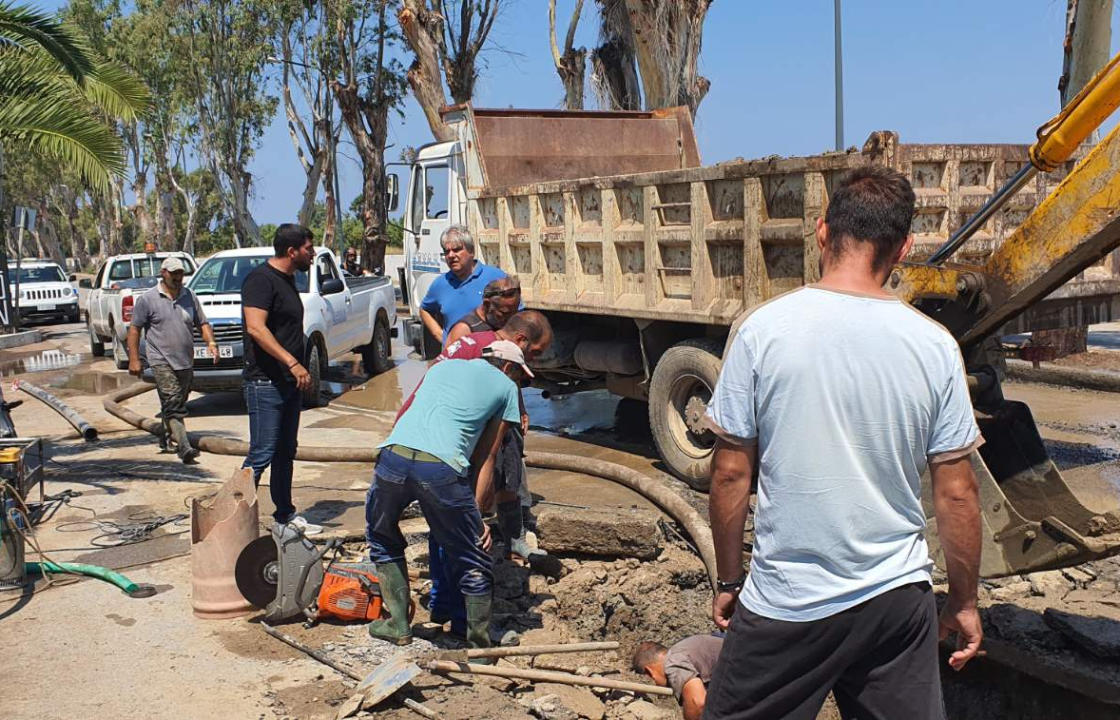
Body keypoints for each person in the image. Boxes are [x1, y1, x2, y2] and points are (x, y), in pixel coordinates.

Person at [703, 166, 984, 720]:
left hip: (788, 600)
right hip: (896, 602)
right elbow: (957, 495)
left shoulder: (763, 331)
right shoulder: (935, 347)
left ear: (822, 231)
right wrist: (965, 601)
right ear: (903, 248)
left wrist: (731, 578)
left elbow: (731, 473)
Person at [365, 341, 532, 651]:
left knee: (381, 535)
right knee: (473, 554)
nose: (519, 384)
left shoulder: (442, 367)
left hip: (392, 455)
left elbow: (415, 411)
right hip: (439, 468)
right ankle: (477, 645)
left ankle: (399, 625)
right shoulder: (507, 387)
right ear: (509, 368)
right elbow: (487, 456)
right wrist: (477, 518)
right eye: (521, 377)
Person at [397, 310, 553, 639]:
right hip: (446, 452)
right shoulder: (489, 361)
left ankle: (439, 606)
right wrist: (478, 514)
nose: (534, 363)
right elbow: (488, 454)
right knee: (467, 536)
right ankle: (471, 629)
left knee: (441, 529)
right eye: (534, 353)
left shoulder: (477, 345)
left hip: (409, 443)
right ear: (521, 342)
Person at [241, 223, 321, 536]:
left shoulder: (288, 280)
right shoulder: (260, 280)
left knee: (285, 451)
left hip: (288, 384)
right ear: (292, 251)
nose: (312, 254)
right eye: (308, 249)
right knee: (261, 453)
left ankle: (284, 516)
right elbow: (256, 328)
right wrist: (292, 363)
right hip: (265, 382)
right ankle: (234, 521)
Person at [127, 257, 216, 464]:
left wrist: (211, 343)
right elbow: (134, 329)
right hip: (160, 359)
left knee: (176, 401)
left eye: (180, 274)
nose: (178, 278)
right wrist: (134, 359)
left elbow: (202, 323)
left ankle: (165, 437)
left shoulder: (189, 296)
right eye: (173, 273)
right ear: (163, 273)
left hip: (185, 360)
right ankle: (184, 446)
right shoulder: (148, 299)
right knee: (173, 402)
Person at [419, 225, 508, 344]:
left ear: (471, 251)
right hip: (454, 358)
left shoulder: (495, 277)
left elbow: (517, 314)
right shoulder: (440, 284)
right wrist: (441, 336)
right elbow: (424, 309)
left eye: (456, 250)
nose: (450, 256)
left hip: (487, 357)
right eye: (446, 252)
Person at [632, 635, 724, 720]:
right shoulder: (683, 652)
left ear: (650, 672)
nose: (656, 684)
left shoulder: (673, 663)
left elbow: (697, 703)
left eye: (652, 680)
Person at [444, 276, 521, 348]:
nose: (510, 319)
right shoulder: (464, 330)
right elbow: (448, 361)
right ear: (487, 305)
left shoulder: (515, 323)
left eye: (515, 312)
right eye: (504, 313)